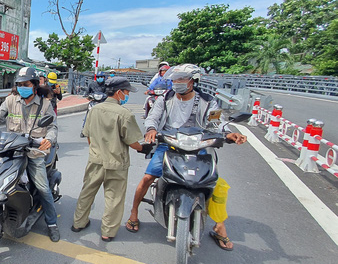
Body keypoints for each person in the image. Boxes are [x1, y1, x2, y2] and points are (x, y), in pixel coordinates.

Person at [125, 64, 247, 252]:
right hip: (169, 143)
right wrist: (151, 129)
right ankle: (134, 213)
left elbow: (217, 123)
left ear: (193, 81)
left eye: (181, 80)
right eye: (175, 80)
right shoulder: (165, 98)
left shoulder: (208, 101)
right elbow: (153, 118)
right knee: (148, 178)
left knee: (215, 184)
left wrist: (228, 133)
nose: (177, 83)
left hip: (199, 145)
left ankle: (220, 225)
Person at [0, 67, 61, 242]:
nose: (22, 87)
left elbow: (52, 126)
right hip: (11, 150)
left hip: (33, 152)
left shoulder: (44, 104)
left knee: (43, 189)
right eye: (20, 84)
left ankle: (52, 224)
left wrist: (49, 140)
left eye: (26, 84)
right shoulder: (10, 101)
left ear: (35, 85)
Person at [72, 77, 147, 241]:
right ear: (119, 92)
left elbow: (88, 135)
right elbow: (134, 143)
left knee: (87, 191)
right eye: (126, 92)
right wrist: (144, 148)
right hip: (116, 162)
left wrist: (96, 150)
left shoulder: (94, 110)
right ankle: (107, 232)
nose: (127, 95)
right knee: (114, 197)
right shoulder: (124, 114)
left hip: (95, 160)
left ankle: (78, 223)